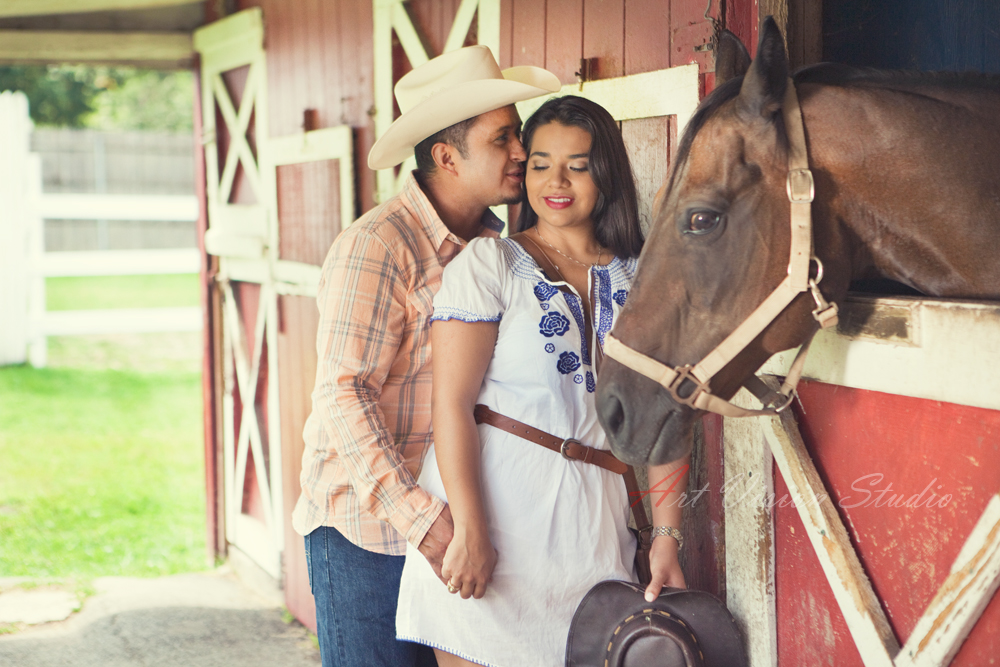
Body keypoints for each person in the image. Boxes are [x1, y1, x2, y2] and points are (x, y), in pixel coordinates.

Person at [395, 95, 691, 667]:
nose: (557, 180)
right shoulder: (489, 265)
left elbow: (663, 420)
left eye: (578, 165)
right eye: (540, 163)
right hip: (494, 519)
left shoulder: (641, 278)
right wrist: (470, 532)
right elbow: (452, 407)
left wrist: (667, 534)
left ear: (605, 174)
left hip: (595, 529)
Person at [291, 45, 560, 667]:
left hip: (464, 527)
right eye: (503, 139)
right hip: (369, 535)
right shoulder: (376, 246)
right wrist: (424, 522)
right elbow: (342, 393)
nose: (521, 152)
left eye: (517, 135)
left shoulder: (499, 249)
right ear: (446, 156)